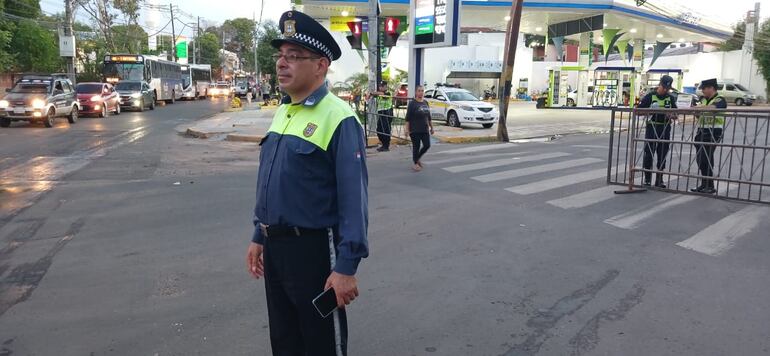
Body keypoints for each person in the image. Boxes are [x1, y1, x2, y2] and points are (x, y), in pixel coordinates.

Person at [246, 10, 369, 356]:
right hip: (276, 250)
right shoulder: (284, 111)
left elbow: (353, 201)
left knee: (320, 345)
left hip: (314, 252)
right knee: (284, 342)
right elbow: (269, 181)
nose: (282, 64)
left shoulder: (339, 117)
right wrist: (259, 234)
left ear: (320, 66)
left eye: (295, 56)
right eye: (280, 56)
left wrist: (346, 267)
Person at [637, 75, 677, 188]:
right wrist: (650, 111)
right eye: (664, 87)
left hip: (665, 128)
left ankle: (659, 179)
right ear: (660, 84)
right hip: (652, 128)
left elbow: (676, 114)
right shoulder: (650, 96)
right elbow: (638, 111)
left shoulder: (670, 98)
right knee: (649, 154)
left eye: (667, 88)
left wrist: (671, 115)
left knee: (662, 154)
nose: (665, 90)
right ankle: (647, 179)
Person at [691, 78, 727, 194]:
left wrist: (698, 108)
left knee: (706, 158)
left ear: (711, 88)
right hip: (702, 132)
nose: (703, 91)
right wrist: (696, 112)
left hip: (713, 133)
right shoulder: (704, 100)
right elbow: (700, 116)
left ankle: (709, 185)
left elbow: (714, 109)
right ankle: (705, 184)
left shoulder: (720, 99)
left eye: (704, 89)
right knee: (701, 159)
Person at [405, 85, 434, 171]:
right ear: (416, 92)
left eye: (422, 91)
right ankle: (415, 163)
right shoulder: (412, 103)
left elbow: (428, 117)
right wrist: (407, 129)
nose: (421, 92)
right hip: (415, 130)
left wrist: (431, 127)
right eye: (419, 91)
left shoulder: (425, 102)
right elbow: (408, 118)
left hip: (424, 129)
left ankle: (417, 158)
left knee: (427, 145)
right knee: (416, 147)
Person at [367, 81, 394, 152]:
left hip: (387, 113)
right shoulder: (379, 94)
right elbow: (376, 94)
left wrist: (371, 93)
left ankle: (386, 146)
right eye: (380, 86)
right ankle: (383, 144)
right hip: (381, 113)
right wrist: (369, 95)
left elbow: (382, 94)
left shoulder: (388, 93)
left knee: (386, 130)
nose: (380, 87)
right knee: (379, 129)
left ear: (386, 87)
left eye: (382, 86)